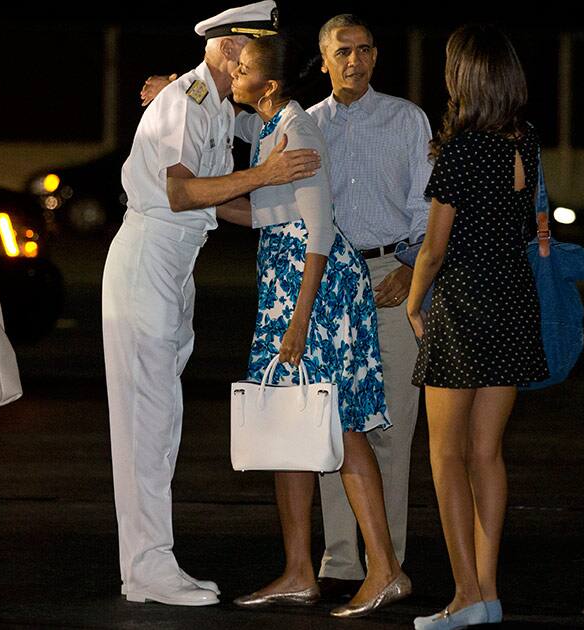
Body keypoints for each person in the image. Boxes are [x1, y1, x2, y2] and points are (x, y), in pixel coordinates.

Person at [102, 0, 322, 608]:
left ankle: (152, 561)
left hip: (171, 264)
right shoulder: (186, 102)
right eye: (252, 50)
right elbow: (180, 192)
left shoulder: (206, 105)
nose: (258, 62)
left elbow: (212, 199)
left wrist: (289, 211)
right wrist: (267, 175)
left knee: (162, 420)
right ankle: (147, 568)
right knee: (146, 423)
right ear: (229, 49)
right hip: (150, 257)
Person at [222, 33, 410, 618]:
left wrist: (300, 319)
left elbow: (319, 230)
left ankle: (384, 572)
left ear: (270, 84)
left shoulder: (299, 132)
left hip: (314, 287)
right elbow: (262, 210)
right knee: (286, 428)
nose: (233, 77)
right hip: (285, 281)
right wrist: (183, 200)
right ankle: (300, 571)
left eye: (243, 69)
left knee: (338, 423)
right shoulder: (268, 129)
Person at [406, 24, 549, 629]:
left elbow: (434, 250)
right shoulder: (526, 139)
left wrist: (415, 303)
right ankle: (486, 591)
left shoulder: (462, 149)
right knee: (487, 454)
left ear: (466, 76)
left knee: (445, 456)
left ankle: (465, 594)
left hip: (464, 306)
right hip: (514, 303)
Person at [305, 15, 432, 595]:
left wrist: (411, 268)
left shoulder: (407, 120)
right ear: (324, 58)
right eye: (342, 51)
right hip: (328, 277)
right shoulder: (305, 126)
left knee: (392, 428)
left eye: (363, 51)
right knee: (333, 425)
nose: (353, 61)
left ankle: (390, 563)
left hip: (392, 274)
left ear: (376, 57)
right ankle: (341, 561)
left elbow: (427, 206)